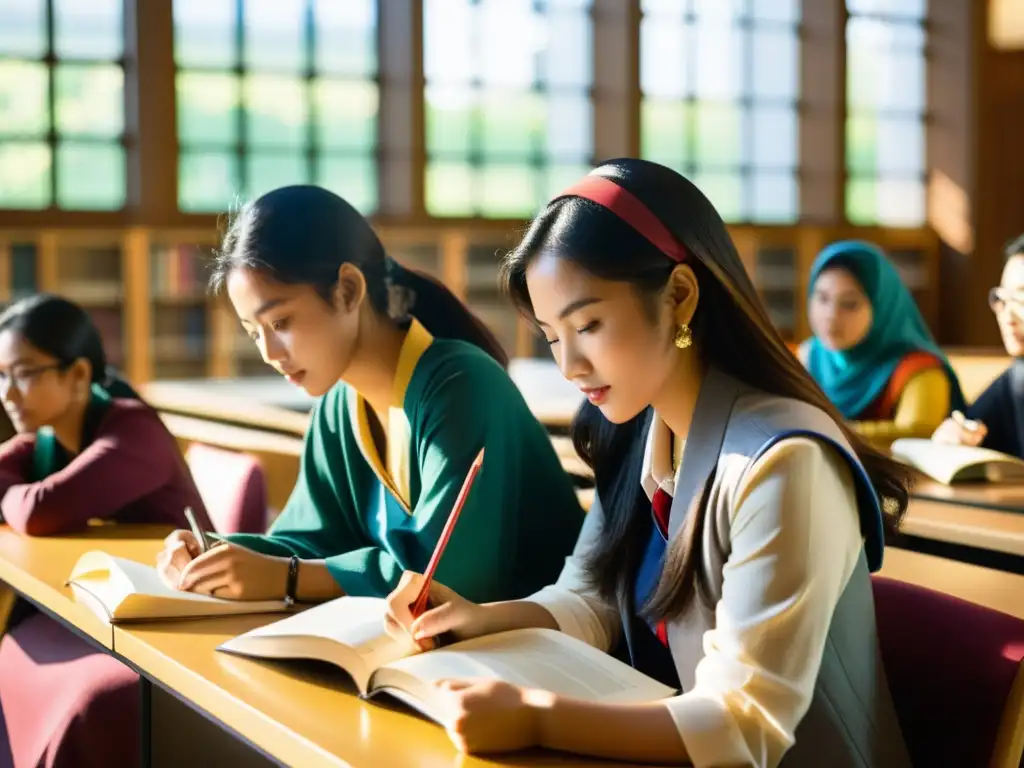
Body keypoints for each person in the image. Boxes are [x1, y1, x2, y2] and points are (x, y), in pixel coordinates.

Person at [382, 160, 913, 767]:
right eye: (554, 337)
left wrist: (535, 716)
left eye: (589, 324)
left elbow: (745, 726)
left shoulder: (785, 462)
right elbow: (593, 600)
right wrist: (477, 618)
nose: (570, 366)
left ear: (680, 297)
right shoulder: (640, 427)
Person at [156, 185, 584, 607]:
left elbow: (443, 579)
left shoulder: (460, 384)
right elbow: (311, 542)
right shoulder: (338, 407)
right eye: (254, 333)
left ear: (347, 290)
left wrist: (285, 576)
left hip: (530, 656)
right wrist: (216, 551)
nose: (269, 353)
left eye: (281, 321)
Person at [0, 294, 211, 768]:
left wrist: (14, 493)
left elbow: (40, 511)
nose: (7, 393)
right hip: (114, 609)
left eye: (25, 373)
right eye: (1, 375)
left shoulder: (133, 429)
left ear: (77, 374)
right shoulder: (52, 435)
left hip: (180, 623)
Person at [799, 240, 965, 445]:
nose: (831, 316)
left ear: (882, 307)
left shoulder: (919, 369)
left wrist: (821, 431)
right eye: (822, 298)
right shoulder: (809, 355)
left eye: (849, 304)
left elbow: (918, 432)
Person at [932, 234, 1024, 457]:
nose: (1007, 316)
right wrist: (953, 437)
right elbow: (970, 426)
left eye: (1021, 299)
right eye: (1002, 299)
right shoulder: (1016, 379)